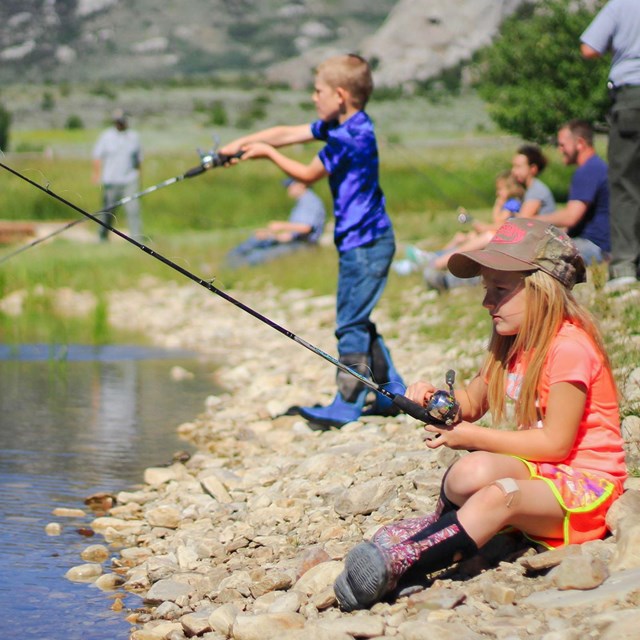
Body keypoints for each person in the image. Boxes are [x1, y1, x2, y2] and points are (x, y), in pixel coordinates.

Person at [333, 218, 627, 611]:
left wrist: (472, 437)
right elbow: (469, 404)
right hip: (545, 473)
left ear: (542, 291)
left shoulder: (569, 347)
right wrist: (435, 399)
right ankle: (440, 528)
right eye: (487, 289)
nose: (487, 302)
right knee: (466, 473)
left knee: (498, 496)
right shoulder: (511, 343)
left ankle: (407, 563)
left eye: (499, 290)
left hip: (587, 489)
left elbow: (555, 444)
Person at [219, 53, 404, 428]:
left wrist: (267, 155)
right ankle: (390, 390)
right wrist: (237, 145)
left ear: (339, 95)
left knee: (349, 322)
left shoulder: (353, 136)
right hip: (360, 242)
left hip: (366, 243)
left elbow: (307, 172)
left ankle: (348, 400)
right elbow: (287, 133)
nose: (312, 98)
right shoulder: (341, 124)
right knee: (357, 317)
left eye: (317, 91)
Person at [581, 0, 640, 288]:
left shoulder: (621, 5)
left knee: (626, 183)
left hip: (631, 99)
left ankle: (626, 266)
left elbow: (589, 48)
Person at [541, 120, 610, 265]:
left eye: (562, 145)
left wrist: (530, 219)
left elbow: (570, 217)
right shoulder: (597, 166)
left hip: (594, 247)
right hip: (598, 244)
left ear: (580, 143)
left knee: (532, 255)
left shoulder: (588, 170)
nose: (559, 150)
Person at [225, 179, 326, 268]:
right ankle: (227, 265)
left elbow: (306, 228)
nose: (288, 189)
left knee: (257, 256)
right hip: (295, 242)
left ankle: (231, 268)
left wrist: (280, 226)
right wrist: (270, 235)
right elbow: (292, 234)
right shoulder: (303, 202)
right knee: (256, 241)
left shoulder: (310, 202)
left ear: (302, 184)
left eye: (290, 185)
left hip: (302, 245)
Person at [92, 108, 143, 242]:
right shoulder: (106, 136)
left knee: (133, 209)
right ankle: (102, 237)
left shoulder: (134, 137)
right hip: (111, 180)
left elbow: (138, 160)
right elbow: (97, 156)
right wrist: (96, 175)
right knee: (108, 211)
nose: (119, 124)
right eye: (117, 121)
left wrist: (139, 177)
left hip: (129, 179)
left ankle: (136, 239)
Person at [510, 144, 556, 218]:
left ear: (533, 169)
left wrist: (487, 227)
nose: (513, 171)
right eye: (513, 166)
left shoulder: (537, 190)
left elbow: (520, 224)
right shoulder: (527, 189)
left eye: (518, 167)